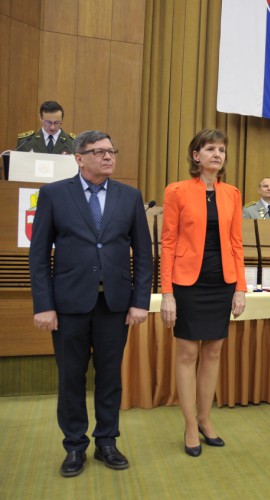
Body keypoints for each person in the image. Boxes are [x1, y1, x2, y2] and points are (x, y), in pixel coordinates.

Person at [29, 130, 152, 477]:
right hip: (68, 305)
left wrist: (139, 301)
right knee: (71, 376)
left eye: (111, 151)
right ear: (78, 158)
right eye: (98, 152)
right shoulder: (53, 195)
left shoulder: (129, 197)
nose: (108, 157)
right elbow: (39, 256)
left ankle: (107, 442)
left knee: (110, 377)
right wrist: (43, 304)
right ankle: (74, 445)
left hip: (115, 305)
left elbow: (144, 255)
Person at [160, 129, 247, 457]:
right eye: (210, 148)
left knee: (212, 352)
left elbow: (236, 243)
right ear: (196, 156)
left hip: (221, 283)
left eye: (222, 149)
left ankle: (205, 419)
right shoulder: (177, 191)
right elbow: (168, 242)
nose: (217, 154)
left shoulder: (232, 194)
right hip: (187, 283)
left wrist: (240, 287)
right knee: (187, 354)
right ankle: (189, 426)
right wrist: (166, 292)